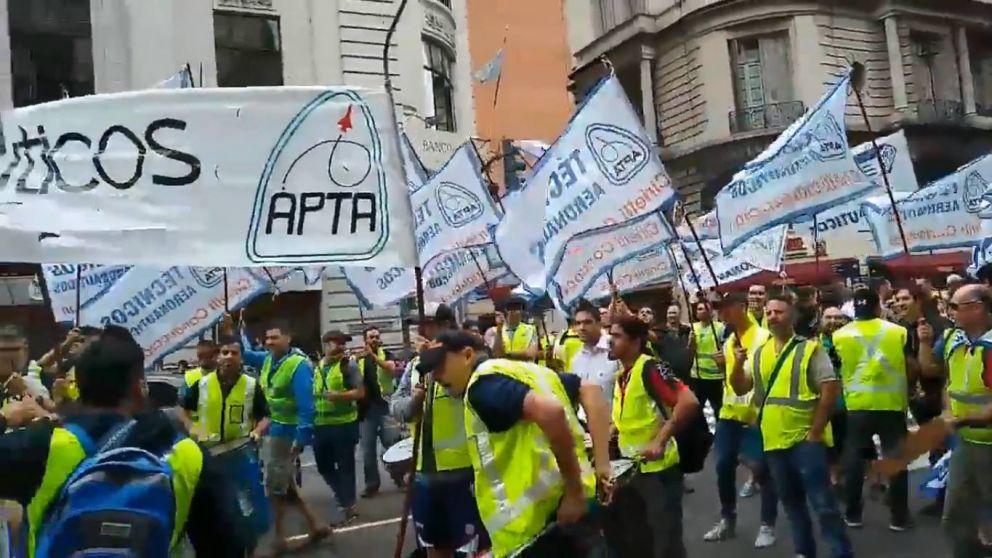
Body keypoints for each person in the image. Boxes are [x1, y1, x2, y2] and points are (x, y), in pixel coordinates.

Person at [0, 325, 252, 557]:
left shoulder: (44, 444)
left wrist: (4, 418)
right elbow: (229, 544)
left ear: (81, 385)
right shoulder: (186, 454)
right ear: (138, 387)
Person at [423, 330, 611, 557]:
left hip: (540, 532)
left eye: (440, 366)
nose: (436, 376)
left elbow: (551, 413)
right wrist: (602, 464)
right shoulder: (522, 370)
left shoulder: (482, 388)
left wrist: (574, 493)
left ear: (467, 355)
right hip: (567, 515)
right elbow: (590, 390)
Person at [731, 295, 853, 558]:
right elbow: (741, 387)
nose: (773, 316)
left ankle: (840, 552)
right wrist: (737, 363)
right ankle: (804, 551)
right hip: (774, 439)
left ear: (792, 317)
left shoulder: (809, 348)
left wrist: (815, 433)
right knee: (792, 503)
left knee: (823, 504)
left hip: (804, 440)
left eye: (779, 311)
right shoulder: (760, 353)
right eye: (769, 312)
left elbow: (829, 389)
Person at [393, 305, 490, 557]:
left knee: (472, 548)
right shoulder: (415, 366)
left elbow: (465, 392)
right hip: (423, 473)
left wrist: (437, 365)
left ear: (446, 326)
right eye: (416, 325)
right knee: (433, 546)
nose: (419, 331)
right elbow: (397, 407)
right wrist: (414, 400)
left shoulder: (470, 361)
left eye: (427, 325)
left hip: (463, 472)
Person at [231, 317, 330, 554]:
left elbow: (307, 406)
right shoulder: (267, 359)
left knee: (274, 488)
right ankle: (315, 526)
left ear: (288, 338)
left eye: (275, 337)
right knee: (284, 485)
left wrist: (302, 437)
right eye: (267, 338)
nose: (270, 342)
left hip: (286, 433)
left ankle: (279, 537)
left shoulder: (298, 365)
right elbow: (244, 353)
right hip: (272, 430)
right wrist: (234, 328)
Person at [604, 315, 698, 557]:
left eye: (616, 336)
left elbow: (688, 402)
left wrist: (660, 441)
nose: (609, 341)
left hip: (659, 472)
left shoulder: (651, 367)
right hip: (633, 472)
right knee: (641, 540)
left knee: (666, 543)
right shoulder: (622, 375)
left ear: (635, 341)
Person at [918, 283, 992, 557]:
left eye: (954, 306)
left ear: (977, 307)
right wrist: (924, 342)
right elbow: (937, 373)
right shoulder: (951, 339)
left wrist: (958, 420)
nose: (947, 311)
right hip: (964, 444)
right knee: (955, 519)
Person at [832, 287, 914, 531]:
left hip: (857, 405)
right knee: (896, 460)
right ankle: (899, 517)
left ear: (855, 309)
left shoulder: (840, 335)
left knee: (855, 460)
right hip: (891, 403)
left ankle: (853, 514)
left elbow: (835, 370)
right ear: (878, 307)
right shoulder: (898, 331)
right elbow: (911, 365)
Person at [704, 292, 779, 548]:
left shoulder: (764, 338)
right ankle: (727, 519)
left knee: (762, 469)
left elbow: (767, 377)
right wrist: (723, 366)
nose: (721, 313)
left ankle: (768, 523)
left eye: (726, 308)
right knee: (723, 465)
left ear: (743, 307)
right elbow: (732, 383)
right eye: (718, 309)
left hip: (756, 416)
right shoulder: (728, 341)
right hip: (729, 414)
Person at [313, 330, 365, 524]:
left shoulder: (349, 365)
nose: (342, 346)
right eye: (338, 343)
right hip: (320, 425)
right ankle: (343, 496)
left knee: (345, 467)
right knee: (323, 466)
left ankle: (347, 505)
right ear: (326, 345)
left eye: (344, 343)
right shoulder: (317, 366)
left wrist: (339, 396)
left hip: (344, 425)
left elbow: (360, 393)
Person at [181, 335, 269, 444]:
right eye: (225, 353)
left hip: (240, 449)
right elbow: (182, 410)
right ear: (218, 357)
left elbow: (265, 416)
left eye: (234, 353)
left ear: (242, 359)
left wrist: (258, 431)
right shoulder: (202, 384)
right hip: (208, 450)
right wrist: (192, 428)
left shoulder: (252, 385)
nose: (229, 356)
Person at [356, 326, 402, 497]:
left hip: (385, 408)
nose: (374, 339)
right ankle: (371, 485)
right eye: (371, 337)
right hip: (366, 411)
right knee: (367, 451)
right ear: (365, 340)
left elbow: (391, 369)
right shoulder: (359, 359)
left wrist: (373, 356)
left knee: (392, 446)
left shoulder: (387, 355)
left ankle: (399, 478)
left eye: (376, 336)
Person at [569, 302, 618, 416]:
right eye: (578, 323)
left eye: (587, 322)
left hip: (615, 427)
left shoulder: (615, 349)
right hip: (586, 427)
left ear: (599, 324)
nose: (582, 328)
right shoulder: (577, 360)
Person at [820, 306, 850, 485]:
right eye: (828, 317)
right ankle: (833, 473)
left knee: (844, 438)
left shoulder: (853, 340)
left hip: (850, 398)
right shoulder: (814, 343)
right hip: (825, 399)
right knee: (828, 440)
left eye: (838, 318)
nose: (833, 321)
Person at [689, 301, 727, 421]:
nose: (703, 311)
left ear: (711, 311)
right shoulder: (693, 327)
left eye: (706, 308)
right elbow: (690, 351)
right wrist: (691, 342)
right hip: (698, 375)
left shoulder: (719, 327)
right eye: (699, 309)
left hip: (715, 376)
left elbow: (725, 347)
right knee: (696, 410)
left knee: (718, 409)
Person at [0, 325, 52, 410]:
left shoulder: (36, 379)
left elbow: (52, 415)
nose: (8, 356)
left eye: (15, 350)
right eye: (3, 350)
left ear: (25, 352)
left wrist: (24, 391)